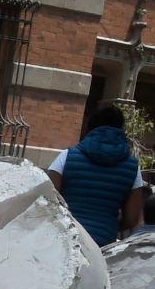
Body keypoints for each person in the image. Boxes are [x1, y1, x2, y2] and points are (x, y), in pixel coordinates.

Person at [47, 106, 143, 247]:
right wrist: (109, 226)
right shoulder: (133, 168)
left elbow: (47, 200)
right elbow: (132, 218)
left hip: (64, 238)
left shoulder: (66, 157)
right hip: (102, 243)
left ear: (89, 128)